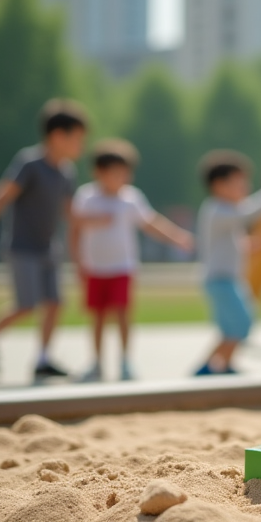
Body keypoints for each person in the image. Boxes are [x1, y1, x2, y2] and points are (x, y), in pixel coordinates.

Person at [0, 99, 87, 381]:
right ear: (58, 136)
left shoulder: (66, 172)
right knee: (27, 304)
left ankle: (43, 358)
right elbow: (1, 195)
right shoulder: (30, 163)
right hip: (23, 246)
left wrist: (99, 222)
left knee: (55, 302)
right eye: (77, 139)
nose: (81, 146)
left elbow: (71, 213)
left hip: (48, 247)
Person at [69, 139, 193, 382]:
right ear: (98, 172)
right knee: (98, 316)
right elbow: (74, 228)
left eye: (124, 173)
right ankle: (96, 363)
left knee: (123, 314)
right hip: (95, 267)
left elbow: (150, 223)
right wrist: (78, 261)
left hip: (122, 267)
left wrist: (177, 236)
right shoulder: (86, 197)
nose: (120, 178)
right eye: (114, 173)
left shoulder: (130, 198)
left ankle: (125, 362)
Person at [193, 149, 261, 376]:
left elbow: (225, 239)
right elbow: (249, 213)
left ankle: (218, 366)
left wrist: (245, 244)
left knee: (231, 329)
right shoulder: (217, 209)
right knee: (242, 322)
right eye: (238, 183)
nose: (244, 187)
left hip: (227, 278)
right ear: (219, 185)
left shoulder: (223, 212)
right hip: (220, 279)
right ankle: (210, 370)